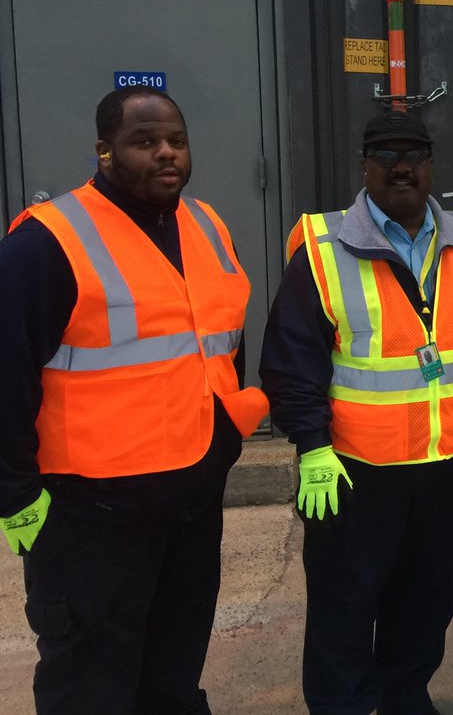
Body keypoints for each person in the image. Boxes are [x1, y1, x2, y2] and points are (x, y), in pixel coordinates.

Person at [0, 87, 269, 713]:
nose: (166, 153)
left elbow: (221, 345)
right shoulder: (47, 242)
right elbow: (7, 374)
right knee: (90, 684)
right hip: (90, 519)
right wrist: (17, 501)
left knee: (172, 675)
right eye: (144, 142)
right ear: (104, 152)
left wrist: (224, 441)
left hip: (189, 507)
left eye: (175, 140)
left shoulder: (206, 224)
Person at [259, 111, 453, 714]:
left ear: (431, 166)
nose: (401, 167)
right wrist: (312, 446)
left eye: (414, 155)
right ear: (365, 166)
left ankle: (405, 696)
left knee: (427, 596)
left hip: (443, 465)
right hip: (354, 472)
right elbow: (290, 360)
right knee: (343, 606)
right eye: (385, 155)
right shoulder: (323, 250)